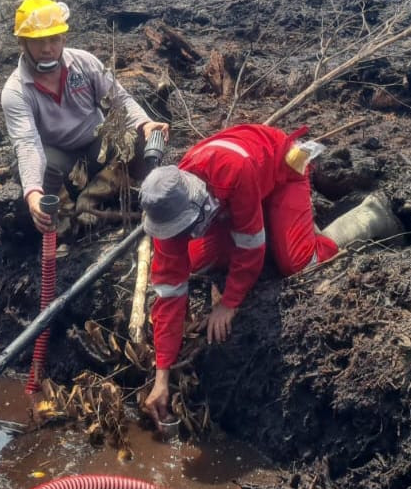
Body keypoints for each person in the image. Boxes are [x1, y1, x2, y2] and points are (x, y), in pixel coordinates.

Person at [138, 123, 338, 422]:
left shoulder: (233, 169)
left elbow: (251, 247)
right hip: (234, 201)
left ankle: (343, 229)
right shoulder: (166, 212)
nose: (180, 235)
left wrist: (229, 303)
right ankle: (278, 225)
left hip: (282, 170)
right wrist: (161, 376)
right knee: (199, 261)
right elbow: (169, 291)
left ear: (197, 200)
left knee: (295, 263)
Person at [0, 0, 169, 232]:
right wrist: (33, 194)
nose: (47, 49)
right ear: (23, 43)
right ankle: (64, 217)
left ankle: (123, 191)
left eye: (54, 40)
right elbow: (27, 144)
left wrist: (145, 124)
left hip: (97, 146)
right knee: (42, 170)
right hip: (60, 160)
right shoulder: (16, 91)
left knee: (142, 137)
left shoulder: (85, 63)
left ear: (63, 39)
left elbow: (119, 100)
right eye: (38, 42)